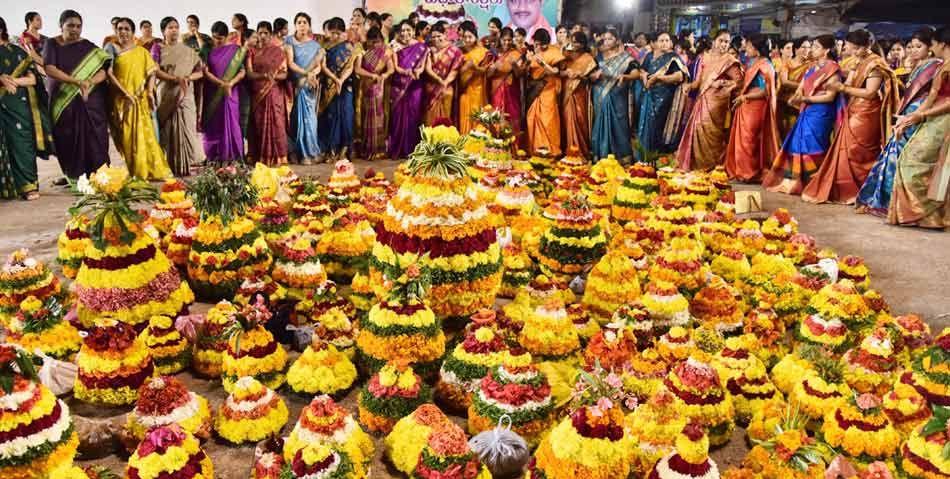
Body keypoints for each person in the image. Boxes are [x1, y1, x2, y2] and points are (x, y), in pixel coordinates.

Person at [802, 30, 898, 204]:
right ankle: (846, 189)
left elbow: (870, 93)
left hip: (867, 113)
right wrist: (838, 85)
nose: (850, 52)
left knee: (858, 151)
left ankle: (861, 190)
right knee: (846, 149)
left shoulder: (875, 64)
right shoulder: (858, 61)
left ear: (864, 47)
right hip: (853, 108)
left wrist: (842, 89)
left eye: (853, 48)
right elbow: (847, 83)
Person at [858, 29, 942, 216]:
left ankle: (897, 205)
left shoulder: (935, 66)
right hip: (908, 112)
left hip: (919, 115)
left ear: (930, 48)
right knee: (895, 154)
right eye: (910, 46)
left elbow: (932, 96)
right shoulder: (917, 66)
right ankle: (888, 202)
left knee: (904, 158)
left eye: (918, 46)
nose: (913, 50)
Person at [887, 26, 950, 228]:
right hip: (933, 118)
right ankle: (923, 216)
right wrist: (911, 117)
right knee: (909, 159)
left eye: (932, 44)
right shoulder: (943, 65)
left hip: (944, 120)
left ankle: (927, 215)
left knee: (917, 163)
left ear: (943, 44)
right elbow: (932, 97)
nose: (933, 48)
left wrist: (921, 114)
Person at [763, 34, 841, 195]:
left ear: (826, 50)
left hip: (821, 113)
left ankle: (814, 182)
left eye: (816, 47)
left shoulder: (832, 68)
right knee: (797, 144)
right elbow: (802, 86)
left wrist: (805, 98)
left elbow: (830, 96)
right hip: (807, 110)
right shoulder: (812, 68)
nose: (812, 49)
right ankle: (799, 181)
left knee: (813, 146)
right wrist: (796, 97)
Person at [43, 10, 110, 183]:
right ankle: (74, 176)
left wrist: (89, 82)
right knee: (65, 137)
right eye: (70, 25)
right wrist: (76, 82)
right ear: (61, 26)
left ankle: (99, 175)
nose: (75, 30)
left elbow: (104, 69)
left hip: (90, 101)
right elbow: (49, 69)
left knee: (95, 136)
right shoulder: (51, 44)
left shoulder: (88, 46)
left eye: (78, 26)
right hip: (63, 100)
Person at [106, 18, 170, 181]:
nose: (123, 32)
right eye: (120, 29)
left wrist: (149, 92)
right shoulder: (111, 48)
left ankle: (150, 169)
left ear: (133, 32)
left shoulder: (141, 52)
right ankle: (134, 170)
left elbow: (151, 73)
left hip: (140, 100)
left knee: (146, 135)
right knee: (126, 137)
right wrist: (125, 93)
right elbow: (109, 73)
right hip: (122, 101)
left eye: (127, 29)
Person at [0, 16, 52, 200]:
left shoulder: (16, 52)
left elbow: (32, 79)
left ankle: (28, 186)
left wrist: (11, 80)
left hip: (18, 106)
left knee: (22, 143)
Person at [676, 29, 741, 171]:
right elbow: (699, 81)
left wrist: (722, 84)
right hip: (703, 98)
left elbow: (739, 83)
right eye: (721, 41)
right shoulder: (704, 58)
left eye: (726, 42)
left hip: (718, 103)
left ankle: (712, 165)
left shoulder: (730, 61)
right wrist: (689, 86)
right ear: (713, 41)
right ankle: (697, 165)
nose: (724, 44)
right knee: (698, 128)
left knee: (714, 135)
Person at [725, 34, 781, 182]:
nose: (745, 50)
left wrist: (745, 97)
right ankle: (743, 171)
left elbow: (765, 91)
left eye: (749, 46)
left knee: (749, 140)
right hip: (746, 106)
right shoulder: (752, 62)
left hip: (756, 106)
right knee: (744, 139)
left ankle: (749, 173)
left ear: (757, 50)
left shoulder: (764, 66)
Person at [152, 17, 203, 176]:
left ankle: (186, 165)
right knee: (168, 129)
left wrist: (187, 79)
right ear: (163, 31)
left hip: (185, 93)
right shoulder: (157, 48)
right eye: (170, 27)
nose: (174, 30)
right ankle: (169, 166)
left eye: (176, 27)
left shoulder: (188, 51)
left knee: (186, 127)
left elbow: (200, 72)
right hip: (167, 93)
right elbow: (154, 70)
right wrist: (174, 79)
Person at [636, 32, 688, 160]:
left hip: (663, 97)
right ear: (655, 43)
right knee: (644, 124)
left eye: (667, 40)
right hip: (648, 94)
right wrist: (643, 75)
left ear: (671, 43)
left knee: (657, 125)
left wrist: (659, 78)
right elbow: (642, 69)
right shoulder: (649, 56)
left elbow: (679, 76)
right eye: (661, 40)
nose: (664, 43)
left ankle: (654, 157)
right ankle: (643, 156)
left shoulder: (673, 57)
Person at [203, 21, 246, 164]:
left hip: (230, 93)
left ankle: (233, 156)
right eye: (214, 37)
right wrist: (222, 84)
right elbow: (205, 72)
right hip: (213, 92)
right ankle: (214, 156)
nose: (217, 41)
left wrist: (230, 84)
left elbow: (242, 71)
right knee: (214, 124)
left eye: (220, 38)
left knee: (231, 122)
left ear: (227, 36)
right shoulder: (207, 50)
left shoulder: (235, 50)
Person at [245, 21, 288, 166]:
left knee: (276, 124)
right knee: (257, 125)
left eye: (266, 33)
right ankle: (257, 156)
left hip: (274, 93)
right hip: (257, 93)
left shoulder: (278, 52)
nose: (262, 36)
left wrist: (272, 77)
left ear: (270, 35)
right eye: (260, 33)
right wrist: (264, 76)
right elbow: (249, 74)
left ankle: (277, 157)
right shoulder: (251, 51)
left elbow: (284, 74)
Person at [590, 29, 636, 162]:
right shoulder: (598, 58)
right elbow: (589, 75)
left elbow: (636, 73)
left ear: (617, 40)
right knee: (599, 123)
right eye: (605, 38)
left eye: (610, 38)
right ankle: (600, 155)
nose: (607, 41)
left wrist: (625, 76)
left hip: (618, 95)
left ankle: (622, 157)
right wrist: (593, 76)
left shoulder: (626, 58)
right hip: (600, 93)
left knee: (619, 124)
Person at [285, 13, 323, 165]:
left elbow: (319, 65)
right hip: (295, 87)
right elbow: (290, 63)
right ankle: (299, 153)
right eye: (299, 22)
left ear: (309, 25)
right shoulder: (289, 41)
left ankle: (311, 152)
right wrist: (307, 73)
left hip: (310, 88)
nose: (302, 25)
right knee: (296, 121)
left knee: (311, 121)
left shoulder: (316, 46)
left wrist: (313, 74)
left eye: (305, 22)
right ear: (295, 25)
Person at [388, 20, 428, 160]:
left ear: (414, 30)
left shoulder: (422, 47)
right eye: (402, 31)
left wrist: (417, 71)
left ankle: (411, 149)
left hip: (415, 85)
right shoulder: (394, 46)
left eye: (408, 30)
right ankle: (397, 148)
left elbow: (422, 66)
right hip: (399, 84)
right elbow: (396, 67)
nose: (405, 33)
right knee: (397, 117)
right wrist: (406, 72)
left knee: (413, 116)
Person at [318, 17, 355, 160]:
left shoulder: (349, 47)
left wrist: (341, 80)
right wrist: (335, 80)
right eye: (332, 32)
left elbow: (351, 66)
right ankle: (332, 148)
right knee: (332, 116)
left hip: (346, 85)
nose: (335, 36)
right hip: (330, 86)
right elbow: (323, 66)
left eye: (338, 33)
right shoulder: (325, 48)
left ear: (343, 32)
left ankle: (345, 148)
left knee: (346, 115)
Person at [354, 26, 393, 160]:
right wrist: (371, 75)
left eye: (378, 41)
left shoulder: (386, 53)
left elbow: (391, 69)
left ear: (382, 41)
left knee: (379, 117)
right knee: (367, 117)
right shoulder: (363, 54)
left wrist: (384, 75)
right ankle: (367, 148)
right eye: (372, 41)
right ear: (368, 41)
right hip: (366, 87)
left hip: (378, 88)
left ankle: (378, 149)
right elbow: (357, 70)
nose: (375, 44)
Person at [488, 27, 523, 143]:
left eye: (509, 40)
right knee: (496, 114)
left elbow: (519, 75)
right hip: (496, 88)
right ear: (500, 39)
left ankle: (513, 144)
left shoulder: (516, 54)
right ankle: (495, 143)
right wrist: (494, 67)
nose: (507, 42)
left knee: (512, 114)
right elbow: (487, 75)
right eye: (504, 40)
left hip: (511, 90)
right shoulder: (493, 53)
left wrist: (514, 65)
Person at [423, 23, 463, 125]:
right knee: (429, 120)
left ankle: (444, 140)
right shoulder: (429, 50)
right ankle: (430, 140)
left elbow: (455, 70)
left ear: (445, 34)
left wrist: (445, 82)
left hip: (446, 88)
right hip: (431, 89)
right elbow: (428, 69)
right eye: (433, 37)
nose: (436, 39)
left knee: (445, 119)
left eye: (439, 36)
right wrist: (439, 80)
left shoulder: (454, 51)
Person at [458, 21, 491, 134]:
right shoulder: (459, 52)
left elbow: (486, 70)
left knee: (477, 115)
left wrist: (474, 68)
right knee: (464, 114)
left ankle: (478, 143)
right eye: (465, 37)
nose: (467, 40)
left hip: (478, 89)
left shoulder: (484, 52)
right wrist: (466, 67)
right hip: (464, 89)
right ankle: (465, 142)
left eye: (470, 37)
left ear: (476, 37)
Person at [778, 37, 813, 136]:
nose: (807, 50)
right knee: (787, 131)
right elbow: (784, 82)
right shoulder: (787, 64)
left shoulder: (810, 65)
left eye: (809, 47)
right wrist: (803, 86)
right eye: (803, 47)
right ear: (796, 49)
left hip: (803, 102)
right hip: (786, 102)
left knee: (801, 132)